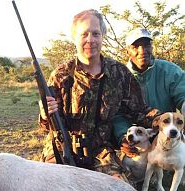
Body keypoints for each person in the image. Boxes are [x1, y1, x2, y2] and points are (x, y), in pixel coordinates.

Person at [39, 9, 159, 181]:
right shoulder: (60, 75)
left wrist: (162, 121)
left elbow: (140, 111)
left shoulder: (119, 72)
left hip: (100, 151)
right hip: (61, 148)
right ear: (74, 38)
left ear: (103, 35)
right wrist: (44, 114)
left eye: (95, 34)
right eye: (84, 34)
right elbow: (45, 126)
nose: (90, 40)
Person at [113, 27, 185, 145]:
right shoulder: (118, 77)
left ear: (152, 47)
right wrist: (123, 137)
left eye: (147, 45)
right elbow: (117, 114)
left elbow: (182, 97)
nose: (142, 51)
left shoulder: (171, 71)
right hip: (135, 141)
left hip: (167, 136)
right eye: (135, 47)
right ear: (127, 51)